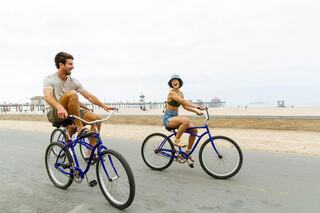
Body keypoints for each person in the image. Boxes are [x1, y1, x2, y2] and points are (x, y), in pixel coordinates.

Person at [43, 51, 115, 159]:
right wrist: (59, 107)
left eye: (72, 64)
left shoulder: (74, 81)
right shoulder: (50, 79)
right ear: (61, 65)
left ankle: (90, 151)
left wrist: (103, 106)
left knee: (96, 119)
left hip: (70, 109)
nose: (73, 66)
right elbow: (48, 96)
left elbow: (89, 96)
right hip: (55, 111)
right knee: (73, 94)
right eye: (70, 64)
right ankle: (79, 128)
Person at [163, 74, 205, 164]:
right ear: (171, 84)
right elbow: (183, 101)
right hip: (168, 118)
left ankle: (187, 153)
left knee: (194, 130)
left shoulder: (181, 93)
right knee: (186, 120)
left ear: (179, 82)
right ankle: (176, 140)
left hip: (175, 118)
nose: (174, 81)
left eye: (176, 80)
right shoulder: (172, 93)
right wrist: (197, 106)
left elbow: (185, 106)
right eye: (172, 80)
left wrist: (196, 111)